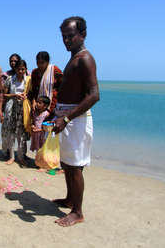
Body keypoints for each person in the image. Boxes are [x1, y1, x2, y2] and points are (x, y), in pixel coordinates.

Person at [52, 16, 99, 227]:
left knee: (75, 166)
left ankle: (77, 212)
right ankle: (70, 199)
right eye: (63, 37)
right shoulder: (73, 58)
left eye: (70, 36)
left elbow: (94, 95)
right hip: (65, 118)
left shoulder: (84, 59)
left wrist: (68, 118)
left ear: (83, 34)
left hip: (76, 120)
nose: (66, 40)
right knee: (66, 163)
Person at [1, 59, 30, 166]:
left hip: (23, 109)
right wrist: (15, 95)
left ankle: (21, 157)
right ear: (15, 69)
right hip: (11, 108)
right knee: (11, 132)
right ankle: (12, 156)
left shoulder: (28, 80)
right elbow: (4, 95)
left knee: (22, 133)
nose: (21, 71)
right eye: (19, 69)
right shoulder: (10, 79)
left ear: (26, 69)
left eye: (23, 69)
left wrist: (26, 97)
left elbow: (31, 94)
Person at [29, 51, 63, 116]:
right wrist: (34, 102)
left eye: (42, 63)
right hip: (38, 106)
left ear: (47, 62)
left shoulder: (54, 70)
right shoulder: (35, 72)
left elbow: (61, 87)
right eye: (38, 62)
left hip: (52, 105)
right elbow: (34, 90)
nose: (39, 65)